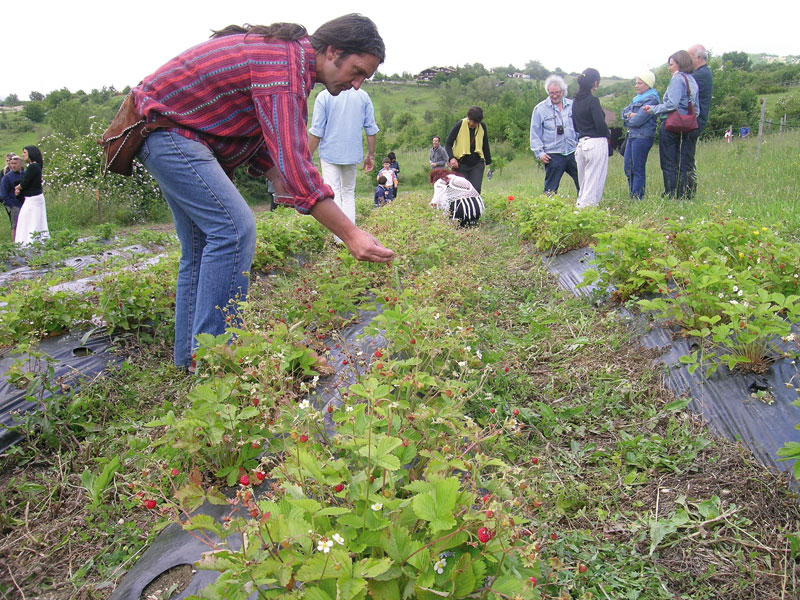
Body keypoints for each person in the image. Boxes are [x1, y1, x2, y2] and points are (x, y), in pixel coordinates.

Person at [130, 14, 394, 370]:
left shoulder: (289, 61)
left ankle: (192, 359)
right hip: (169, 131)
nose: (357, 84)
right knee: (234, 229)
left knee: (201, 246)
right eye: (357, 71)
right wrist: (351, 234)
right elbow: (295, 163)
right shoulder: (285, 67)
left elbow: (262, 136)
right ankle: (217, 358)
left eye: (365, 77)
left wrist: (278, 175)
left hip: (164, 131)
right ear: (333, 51)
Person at [308, 86, 379, 239]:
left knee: (333, 192)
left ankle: (338, 238)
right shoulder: (363, 96)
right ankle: (351, 237)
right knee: (348, 193)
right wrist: (371, 155)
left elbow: (317, 131)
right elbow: (371, 129)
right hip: (352, 153)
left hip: (330, 152)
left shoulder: (324, 96)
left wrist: (307, 157)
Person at [643, 50, 700, 199]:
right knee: (686, 161)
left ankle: (670, 193)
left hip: (672, 124)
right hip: (689, 124)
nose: (669, 68)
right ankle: (686, 193)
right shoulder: (693, 80)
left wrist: (653, 109)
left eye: (671, 64)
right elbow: (696, 108)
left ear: (679, 64)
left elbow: (672, 104)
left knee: (669, 161)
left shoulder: (677, 79)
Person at [529, 75, 579, 195]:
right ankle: (548, 205)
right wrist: (540, 153)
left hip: (573, 151)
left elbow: (579, 127)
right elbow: (535, 133)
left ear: (562, 91)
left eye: (557, 92)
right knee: (550, 190)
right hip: (553, 154)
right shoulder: (540, 109)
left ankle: (585, 204)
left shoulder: (573, 106)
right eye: (552, 93)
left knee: (583, 183)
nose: (555, 95)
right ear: (548, 92)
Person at [572, 69, 610, 208]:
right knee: (593, 185)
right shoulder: (593, 101)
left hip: (581, 144)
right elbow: (600, 125)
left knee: (584, 186)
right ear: (595, 83)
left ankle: (580, 210)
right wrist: (608, 133)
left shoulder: (575, 102)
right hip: (596, 143)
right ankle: (584, 214)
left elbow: (575, 126)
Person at [620, 71, 660, 199]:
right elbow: (623, 113)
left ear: (647, 84)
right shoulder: (636, 99)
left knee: (637, 168)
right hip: (632, 135)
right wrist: (630, 116)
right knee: (628, 168)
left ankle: (637, 197)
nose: (636, 86)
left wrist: (629, 119)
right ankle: (633, 194)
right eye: (636, 83)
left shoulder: (652, 99)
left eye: (639, 83)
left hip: (643, 137)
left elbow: (638, 121)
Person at [445, 105, 492, 193]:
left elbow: (485, 145)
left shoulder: (482, 126)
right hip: (461, 164)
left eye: (476, 123)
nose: (473, 124)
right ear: (468, 118)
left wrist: (489, 162)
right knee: (461, 191)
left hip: (477, 163)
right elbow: (448, 143)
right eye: (471, 121)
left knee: (475, 190)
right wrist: (451, 158)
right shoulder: (460, 125)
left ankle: (475, 202)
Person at [687, 44, 713, 197]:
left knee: (687, 157)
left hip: (694, 122)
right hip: (696, 121)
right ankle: (687, 190)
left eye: (689, 57)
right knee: (687, 156)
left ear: (698, 58)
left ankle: (688, 191)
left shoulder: (699, 76)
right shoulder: (703, 73)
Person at [14, 146, 49, 245]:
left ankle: (27, 241)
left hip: (32, 199)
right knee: (36, 219)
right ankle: (37, 240)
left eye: (25, 152)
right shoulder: (36, 166)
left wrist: (17, 187)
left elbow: (25, 182)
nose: (23, 154)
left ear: (31, 153)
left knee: (28, 219)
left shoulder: (33, 167)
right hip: (36, 198)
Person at [1, 154, 25, 241]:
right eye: (11, 163)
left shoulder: (26, 174)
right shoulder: (7, 177)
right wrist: (11, 206)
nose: (13, 166)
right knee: (15, 226)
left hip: (26, 203)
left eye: (15, 163)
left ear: (21, 163)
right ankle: (15, 243)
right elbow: (3, 194)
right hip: (14, 205)